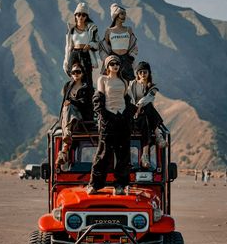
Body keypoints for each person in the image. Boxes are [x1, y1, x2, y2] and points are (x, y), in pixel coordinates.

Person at [87, 55, 136, 195]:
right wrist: (105, 117)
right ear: (107, 66)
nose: (115, 66)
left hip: (122, 119)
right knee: (103, 153)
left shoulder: (124, 81)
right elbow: (99, 100)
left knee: (123, 155)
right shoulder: (102, 79)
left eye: (117, 63)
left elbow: (127, 100)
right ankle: (94, 185)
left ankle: (120, 185)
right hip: (108, 120)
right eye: (112, 63)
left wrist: (127, 115)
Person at [128, 61, 167, 168]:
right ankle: (158, 135)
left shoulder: (152, 87)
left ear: (149, 73)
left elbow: (149, 97)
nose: (143, 74)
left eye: (145, 72)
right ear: (137, 73)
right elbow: (130, 98)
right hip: (133, 114)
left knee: (147, 108)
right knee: (147, 109)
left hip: (144, 115)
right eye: (140, 72)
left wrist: (140, 106)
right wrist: (136, 108)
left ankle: (145, 155)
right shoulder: (132, 84)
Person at [56, 63, 94, 167]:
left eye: (78, 71)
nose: (76, 74)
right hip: (70, 117)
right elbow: (65, 101)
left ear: (82, 73)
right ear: (71, 74)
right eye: (73, 72)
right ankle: (67, 139)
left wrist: (72, 102)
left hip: (82, 117)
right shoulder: (67, 86)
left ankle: (65, 148)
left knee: (69, 106)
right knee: (67, 107)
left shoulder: (87, 88)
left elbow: (84, 104)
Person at [63, 2, 99, 89]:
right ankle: (73, 98)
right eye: (78, 15)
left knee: (87, 77)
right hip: (74, 53)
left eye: (83, 15)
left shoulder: (91, 29)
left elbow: (97, 43)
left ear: (86, 16)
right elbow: (68, 46)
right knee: (74, 76)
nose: (81, 17)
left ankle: (89, 99)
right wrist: (66, 60)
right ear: (75, 15)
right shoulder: (71, 30)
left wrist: (90, 45)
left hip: (85, 52)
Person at [99, 3, 138, 82]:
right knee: (113, 80)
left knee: (128, 81)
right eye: (122, 14)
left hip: (126, 58)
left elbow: (133, 44)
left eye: (125, 14)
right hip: (114, 59)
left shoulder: (128, 29)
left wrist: (132, 56)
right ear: (116, 15)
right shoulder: (109, 31)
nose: (124, 16)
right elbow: (104, 46)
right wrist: (107, 58)